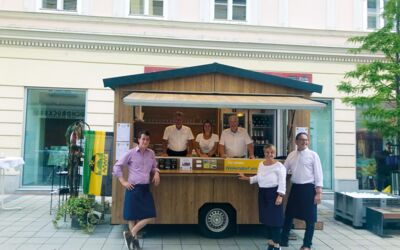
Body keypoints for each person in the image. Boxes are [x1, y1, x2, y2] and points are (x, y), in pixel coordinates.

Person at [113, 130, 160, 250]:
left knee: (150, 215)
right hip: (133, 188)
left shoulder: (151, 154)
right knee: (132, 217)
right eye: (143, 139)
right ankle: (135, 242)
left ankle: (130, 234)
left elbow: (154, 167)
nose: (145, 141)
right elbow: (117, 166)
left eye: (147, 139)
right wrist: (123, 181)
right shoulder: (130, 153)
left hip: (145, 188)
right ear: (138, 140)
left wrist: (156, 173)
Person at [238, 144, 286, 250]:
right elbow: (259, 177)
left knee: (276, 220)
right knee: (266, 219)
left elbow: (282, 182)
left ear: (275, 153)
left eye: (272, 152)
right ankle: (270, 242)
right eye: (267, 152)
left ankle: (277, 244)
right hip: (263, 193)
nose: (269, 154)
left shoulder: (280, 166)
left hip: (274, 194)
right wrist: (246, 178)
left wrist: (280, 195)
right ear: (264, 153)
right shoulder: (261, 164)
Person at [280, 132, 323, 250]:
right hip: (296, 188)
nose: (304, 142)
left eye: (306, 140)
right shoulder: (291, 155)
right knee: (288, 215)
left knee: (310, 219)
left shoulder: (313, 155)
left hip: (309, 189)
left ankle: (306, 245)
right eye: (302, 140)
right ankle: (283, 241)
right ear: (296, 141)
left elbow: (318, 174)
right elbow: (283, 170)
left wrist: (319, 192)